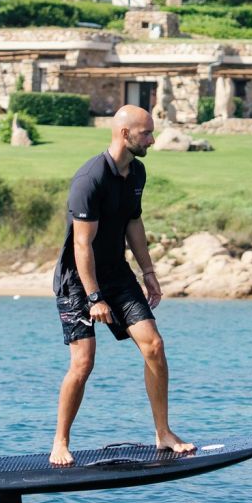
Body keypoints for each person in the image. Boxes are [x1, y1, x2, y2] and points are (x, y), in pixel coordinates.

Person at [50, 104, 193, 466]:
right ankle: (60, 441)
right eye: (146, 133)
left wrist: (148, 272)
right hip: (78, 282)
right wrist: (94, 297)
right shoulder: (90, 179)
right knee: (83, 363)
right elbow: (82, 245)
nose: (153, 138)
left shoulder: (137, 173)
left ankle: (162, 431)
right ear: (125, 134)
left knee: (155, 346)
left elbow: (133, 224)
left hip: (118, 275)